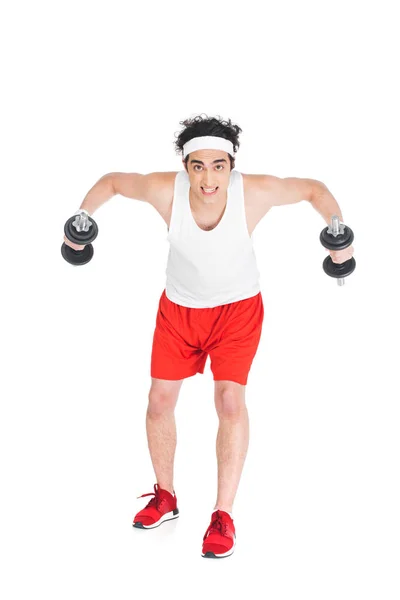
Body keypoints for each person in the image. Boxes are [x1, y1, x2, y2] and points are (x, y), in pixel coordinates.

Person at [64, 114, 355, 558]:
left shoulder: (253, 192)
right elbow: (112, 183)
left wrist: (338, 235)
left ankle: (223, 515)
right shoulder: (166, 190)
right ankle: (165, 496)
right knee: (159, 401)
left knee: (229, 402)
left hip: (237, 313)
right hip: (179, 312)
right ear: (186, 167)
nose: (208, 178)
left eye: (218, 166)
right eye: (198, 166)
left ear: (231, 166)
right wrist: (82, 221)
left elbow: (314, 189)